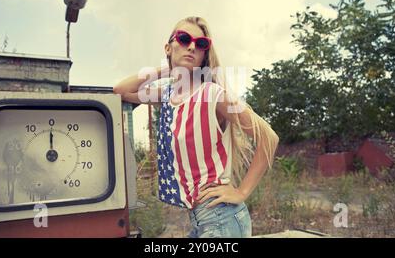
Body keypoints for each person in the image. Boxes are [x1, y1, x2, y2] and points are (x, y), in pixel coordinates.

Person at [113, 16, 280, 238]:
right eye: (183, 39)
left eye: (201, 44)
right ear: (168, 46)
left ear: (204, 55)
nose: (191, 46)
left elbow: (269, 137)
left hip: (222, 219)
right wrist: (168, 68)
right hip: (201, 220)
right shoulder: (168, 95)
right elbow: (121, 90)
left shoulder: (212, 94)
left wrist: (242, 191)